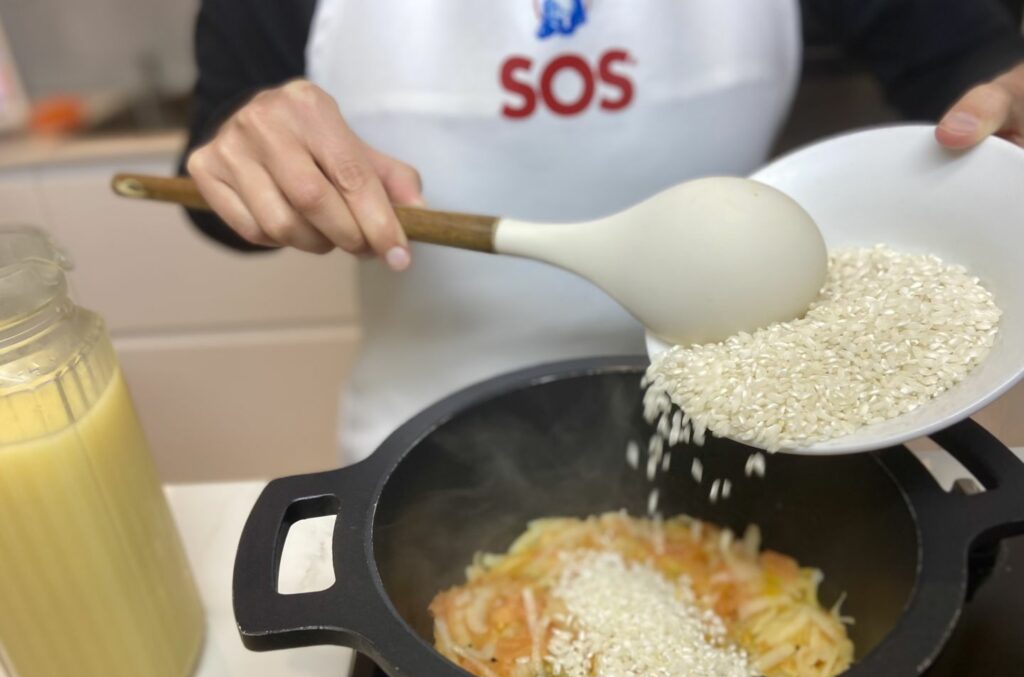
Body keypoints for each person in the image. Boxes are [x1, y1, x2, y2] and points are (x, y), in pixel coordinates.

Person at [181, 0, 1024, 462]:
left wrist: (1003, 99)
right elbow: (207, 192)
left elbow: (972, 64)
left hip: (741, 431)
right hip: (424, 449)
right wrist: (247, 157)